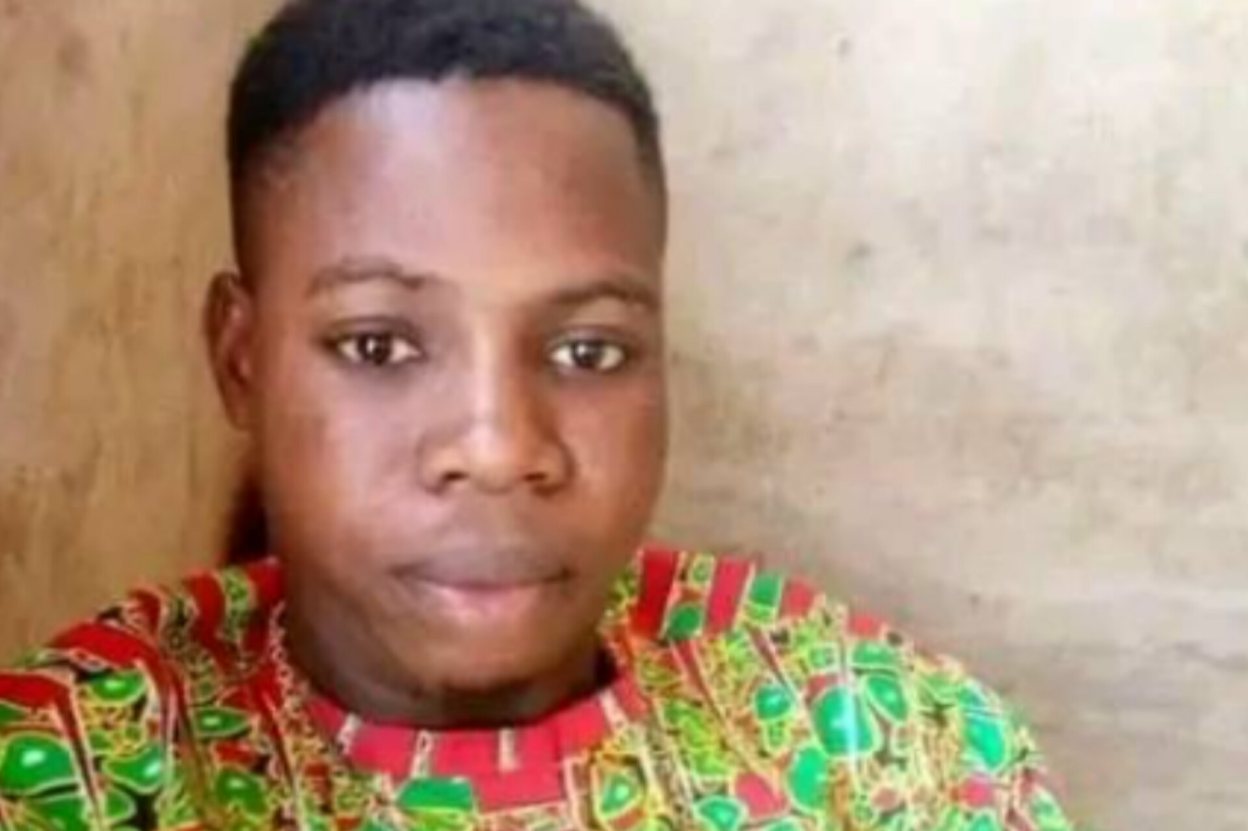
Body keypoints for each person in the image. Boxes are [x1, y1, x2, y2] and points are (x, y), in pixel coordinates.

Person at [0, 0, 1078, 828]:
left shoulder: (888, 750)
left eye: (586, 351)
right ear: (241, 362)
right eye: (378, 346)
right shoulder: (77, 773)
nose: (499, 447)